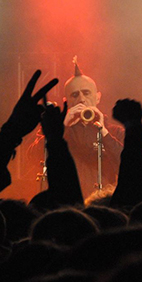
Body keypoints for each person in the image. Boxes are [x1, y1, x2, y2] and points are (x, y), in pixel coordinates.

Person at [27, 58, 123, 195]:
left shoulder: (115, 132)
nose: (82, 99)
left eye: (86, 93)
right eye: (75, 94)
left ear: (98, 97)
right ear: (66, 101)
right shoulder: (56, 130)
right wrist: (62, 127)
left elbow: (128, 167)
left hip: (101, 204)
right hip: (65, 203)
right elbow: (33, 158)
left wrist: (104, 133)